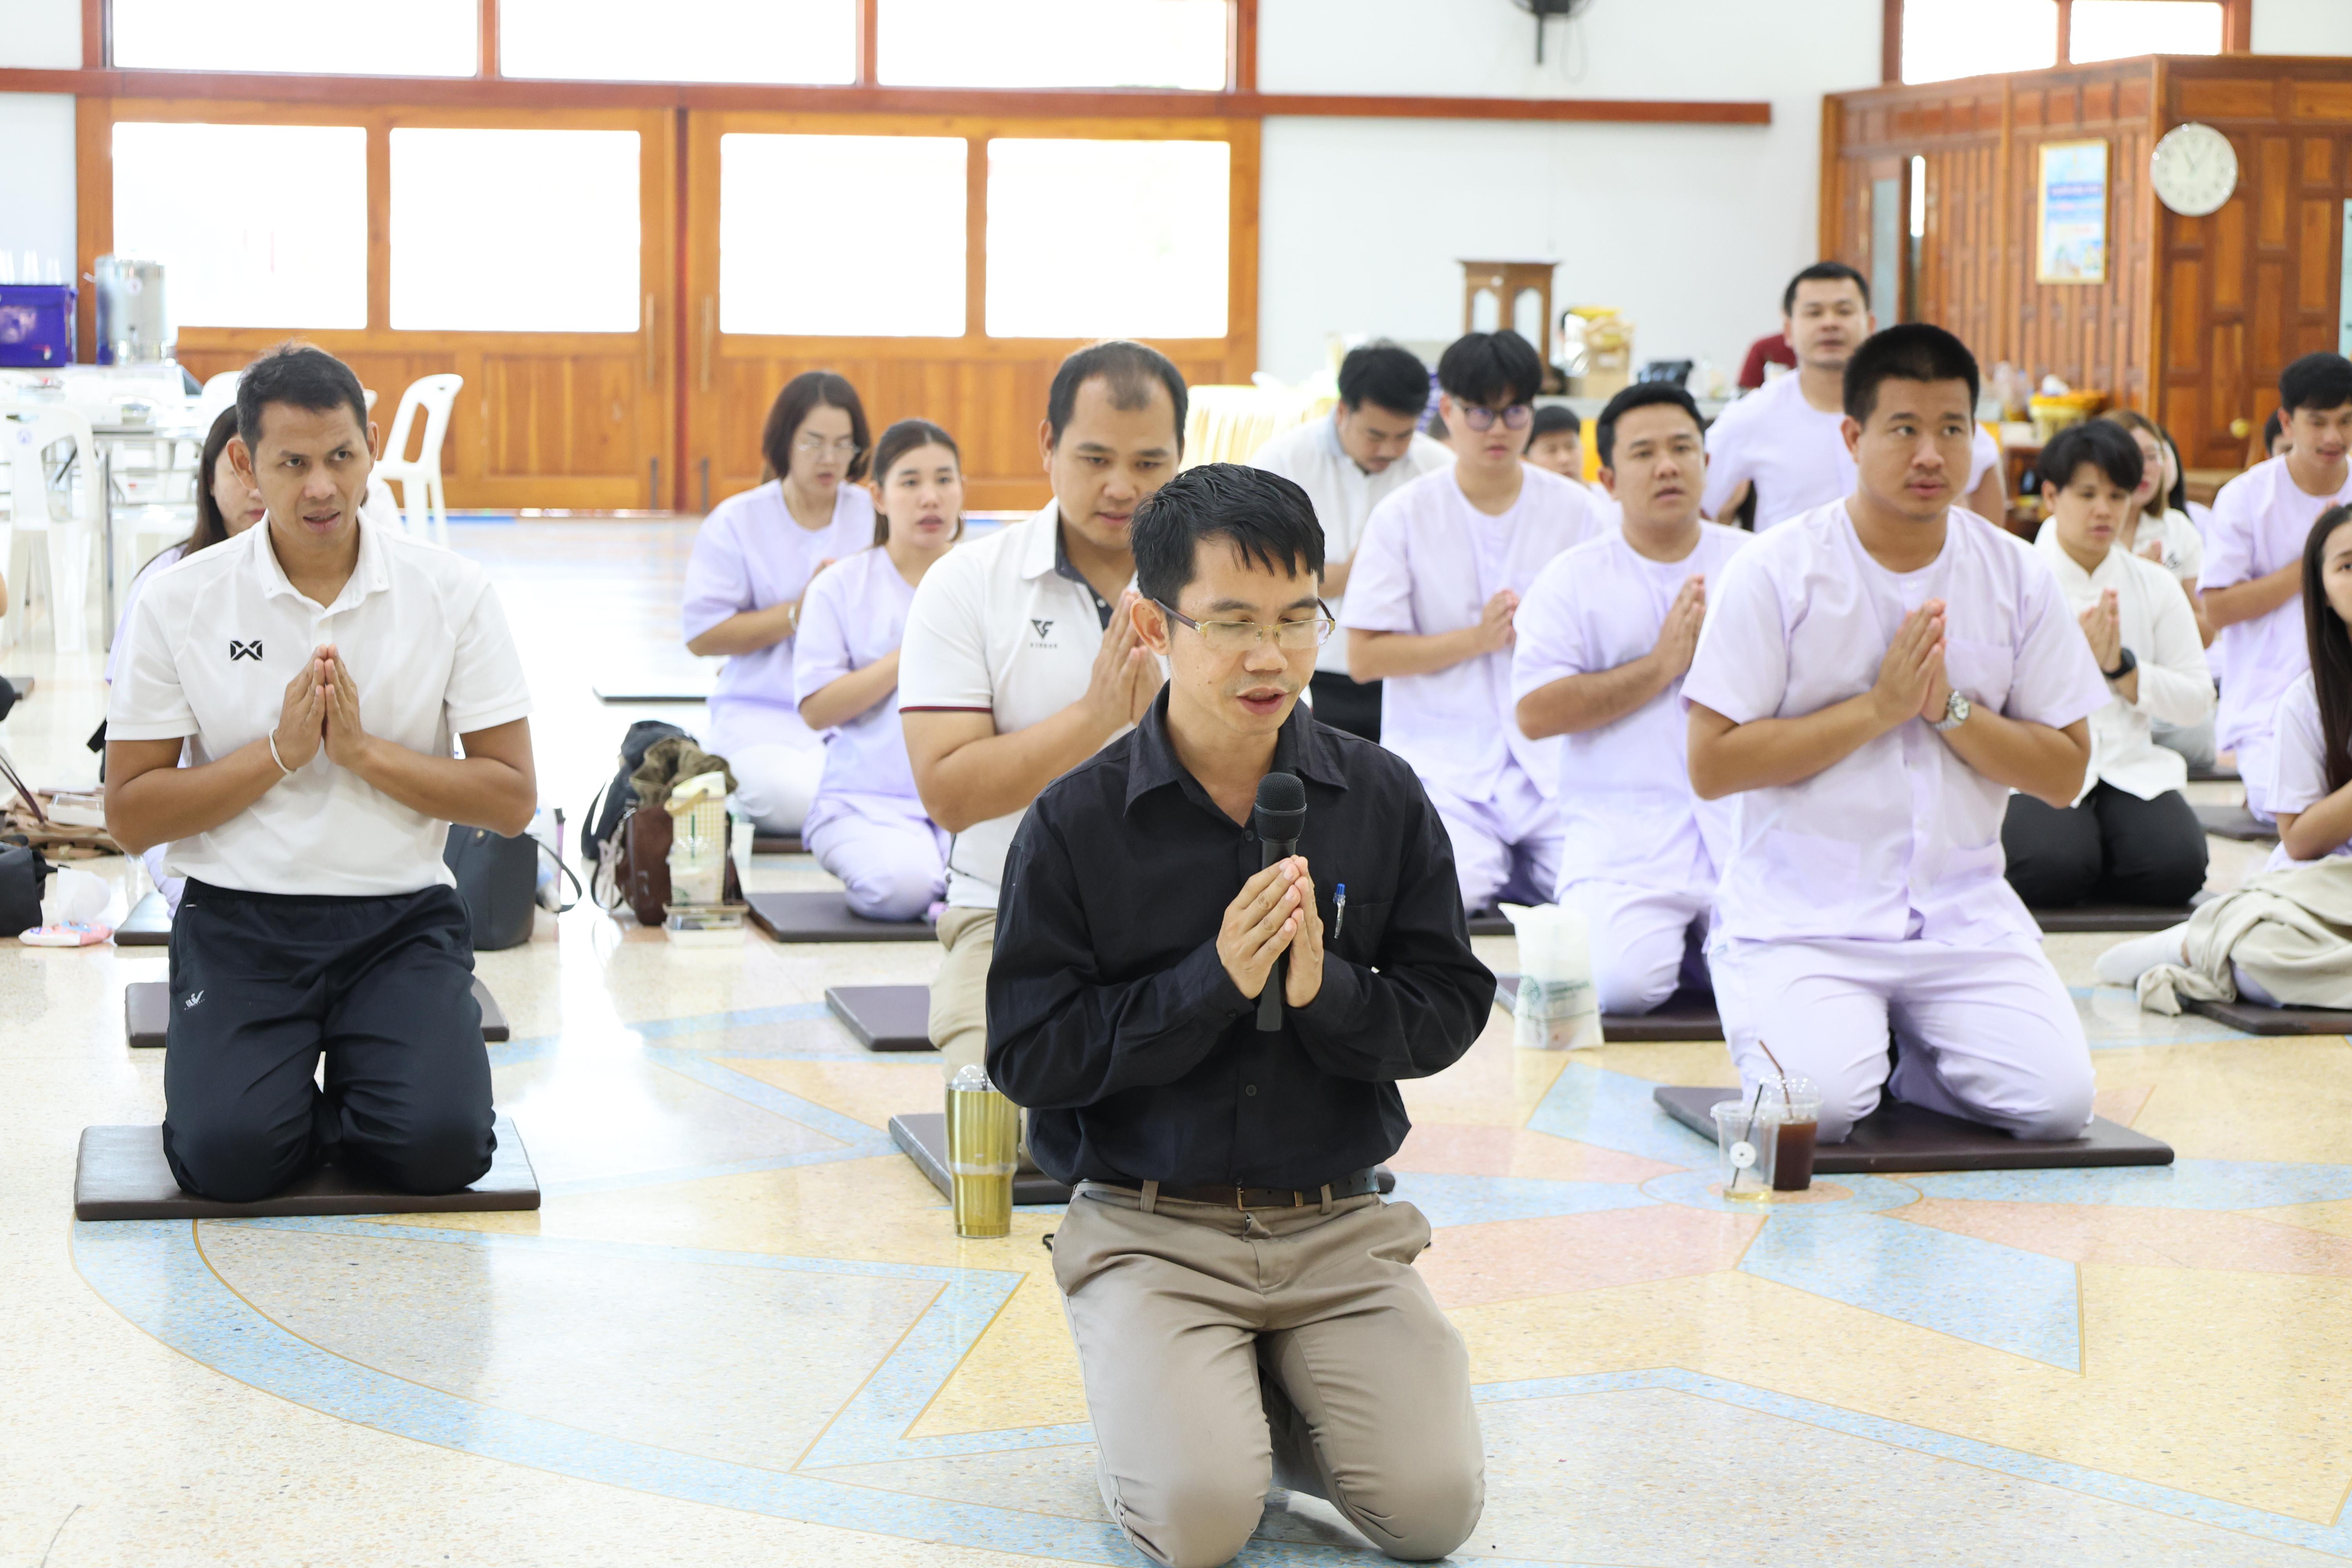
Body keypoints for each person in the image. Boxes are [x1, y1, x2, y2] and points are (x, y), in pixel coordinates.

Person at [987, 463, 1489, 1568]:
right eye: (1231, 624)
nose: (1271, 657)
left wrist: (1329, 994)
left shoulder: (1383, 796)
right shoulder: (1077, 823)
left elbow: (1453, 1003)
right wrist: (1209, 982)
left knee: (1434, 1512)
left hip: (1338, 1224)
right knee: (1203, 1521)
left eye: (1296, 618)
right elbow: (1030, 1055)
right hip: (1153, 1225)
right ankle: (1182, 1391)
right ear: (1156, 625)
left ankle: (1248, 1390)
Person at [103, 343, 535, 1203]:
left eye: (341, 456)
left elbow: (512, 797)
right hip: (240, 919)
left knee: (441, 1150)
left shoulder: (453, 591)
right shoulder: (180, 598)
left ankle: (369, 1079)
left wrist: (366, 754)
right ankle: (273, 1084)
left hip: (400, 918)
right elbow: (131, 815)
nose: (322, 487)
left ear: (372, 451)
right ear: (246, 464)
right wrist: (277, 756)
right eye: (292, 463)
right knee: (228, 1159)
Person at [1684, 324, 2107, 1145]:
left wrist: (1947, 709)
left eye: (1952, 428)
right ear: (1853, 437)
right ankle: (1852, 1041)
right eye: (1905, 428)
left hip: (1964, 916)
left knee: (2058, 1107)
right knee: (1820, 1112)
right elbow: (1712, 763)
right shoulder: (1777, 570)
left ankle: (1915, 1052)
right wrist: (1877, 710)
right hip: (1805, 918)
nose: (1931, 453)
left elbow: (2064, 774)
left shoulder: (2016, 573)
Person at [900, 340, 1180, 1077]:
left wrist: (1177, 732)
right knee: (997, 1129)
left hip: (1194, 924)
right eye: (1095, 459)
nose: (1122, 487)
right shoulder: (968, 585)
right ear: (1049, 446)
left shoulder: (1220, 588)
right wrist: (1095, 717)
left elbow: (1291, 774)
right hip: (1010, 918)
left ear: (1183, 456)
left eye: (1149, 463)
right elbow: (949, 794)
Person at [1343, 329, 1604, 914]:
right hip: (1445, 765)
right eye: (1480, 412)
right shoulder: (1405, 515)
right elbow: (1364, 658)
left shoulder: (1579, 510)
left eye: (1514, 412)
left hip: (1555, 764)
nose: (1498, 430)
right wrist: (1477, 641)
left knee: (1597, 905)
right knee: (1453, 899)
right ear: (1449, 413)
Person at [1512, 384, 1748, 1014]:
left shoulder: (1760, 567)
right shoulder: (1573, 578)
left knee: (1768, 987)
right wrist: (1662, 666)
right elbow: (1534, 713)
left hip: (1747, 828)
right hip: (1624, 837)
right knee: (1619, 989)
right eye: (1645, 453)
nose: (1668, 465)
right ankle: (1692, 955)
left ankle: (1709, 956)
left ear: (1707, 463)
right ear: (1609, 479)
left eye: (1683, 448)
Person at [2096, 504, 2352, 1005]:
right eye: (2348, 565)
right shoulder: (2309, 700)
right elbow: (2299, 840)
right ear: (2320, 590)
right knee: (2262, 961)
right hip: (2328, 886)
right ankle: (2196, 943)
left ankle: (2216, 938)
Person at [2001, 421, 2213, 909]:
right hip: (2038, 765)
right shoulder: (2015, 581)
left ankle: (2103, 847)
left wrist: (2124, 670)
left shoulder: (2153, 584)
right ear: (2052, 495)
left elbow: (2198, 701)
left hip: (2127, 764)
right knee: (2048, 870)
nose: (2104, 511)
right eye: (2088, 494)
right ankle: (2083, 849)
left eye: (2117, 496)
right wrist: (2069, 662)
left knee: (2176, 869)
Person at [682, 371, 877, 836]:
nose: (829, 458)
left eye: (844, 444)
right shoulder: (737, 520)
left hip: (861, 708)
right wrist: (799, 612)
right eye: (813, 442)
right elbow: (703, 635)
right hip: (764, 712)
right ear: (784, 441)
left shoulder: (876, 514)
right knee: (788, 801)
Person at [791, 419, 962, 922]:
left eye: (944, 480)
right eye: (910, 482)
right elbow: (817, 709)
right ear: (879, 496)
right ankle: (940, 886)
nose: (930, 498)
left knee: (1025, 886)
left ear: (962, 490)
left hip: (968, 795)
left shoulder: (987, 580)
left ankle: (951, 883)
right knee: (899, 889)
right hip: (867, 799)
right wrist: (913, 651)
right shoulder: (840, 586)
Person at [102, 407, 270, 912]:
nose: (257, 488)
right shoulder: (168, 583)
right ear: (210, 483)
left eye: (273, 468)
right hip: (185, 808)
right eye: (239, 469)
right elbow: (131, 744)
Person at [1702, 263, 2007, 531]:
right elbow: (1701, 501)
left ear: (1870, 324)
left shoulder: (1914, 403)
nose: (1830, 323)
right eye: (1814, 313)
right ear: (1789, 330)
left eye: (1844, 311)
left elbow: (1984, 463)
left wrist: (1986, 552)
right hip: (1794, 586)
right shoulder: (1754, 414)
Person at [1249, 341, 1451, 742]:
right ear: (1342, 411)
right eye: (1375, 434)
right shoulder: (1283, 463)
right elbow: (1259, 580)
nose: (1390, 449)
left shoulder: (1440, 471)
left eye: (1404, 435)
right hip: (1309, 671)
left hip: (1411, 676)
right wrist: (1367, 565)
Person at [2201, 352, 2352, 819]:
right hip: (2269, 702)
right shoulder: (2246, 497)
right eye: (2318, 422)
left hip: (2347, 687)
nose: (2334, 437)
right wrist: (2315, 559)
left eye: (2347, 421)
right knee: (2288, 809)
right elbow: (2218, 610)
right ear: (2287, 422)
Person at [1522, 405, 1584, 483]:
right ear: (1526, 460)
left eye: (1571, 447)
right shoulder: (1521, 495)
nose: (1564, 459)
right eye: (1551, 450)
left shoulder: (1602, 494)